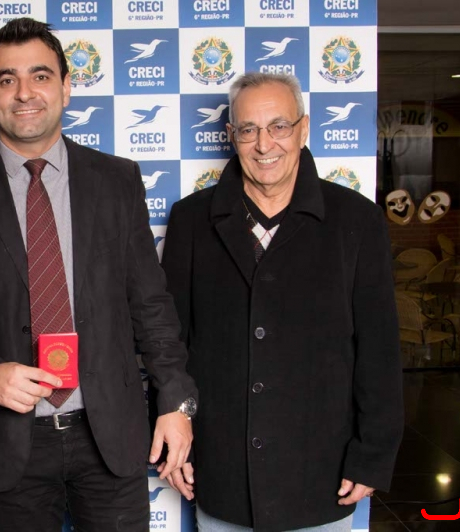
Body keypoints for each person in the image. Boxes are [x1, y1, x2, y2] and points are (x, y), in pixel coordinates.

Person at [0, 17, 198, 532]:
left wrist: (176, 403)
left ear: (66, 87)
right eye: (7, 79)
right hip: (10, 444)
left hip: (110, 435)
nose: (25, 93)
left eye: (41, 76)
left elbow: (151, 307)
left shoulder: (117, 181)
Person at [161, 72, 403, 532]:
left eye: (279, 126)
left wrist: (373, 454)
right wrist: (176, 437)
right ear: (231, 135)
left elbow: (379, 350)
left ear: (303, 129)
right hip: (222, 470)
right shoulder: (191, 219)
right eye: (248, 130)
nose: (264, 144)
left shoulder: (357, 220)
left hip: (321, 473)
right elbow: (170, 344)